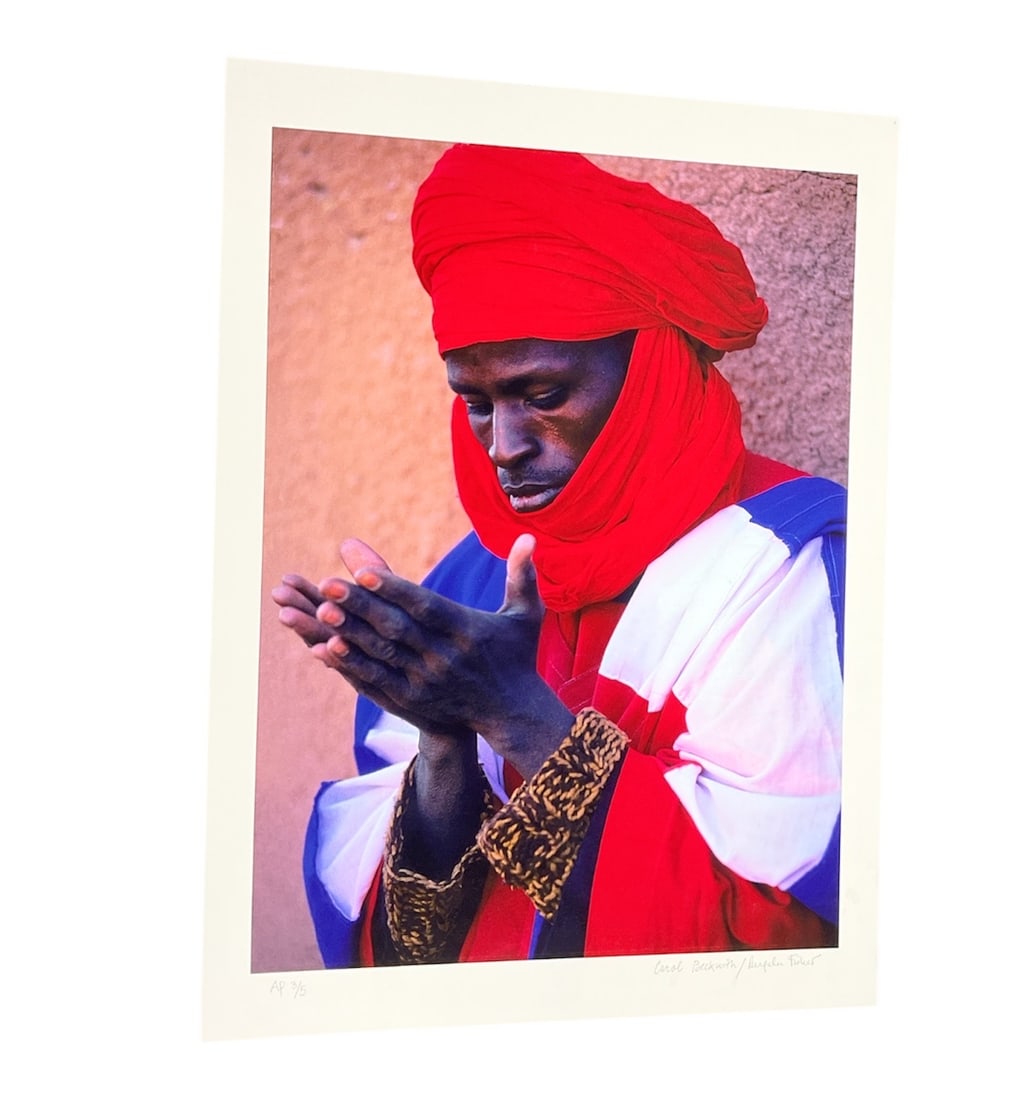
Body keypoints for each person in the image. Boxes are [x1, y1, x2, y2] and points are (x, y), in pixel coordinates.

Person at [273, 144, 846, 967]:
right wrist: (444, 738)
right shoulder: (466, 580)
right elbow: (404, 956)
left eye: (541, 395)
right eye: (475, 402)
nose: (503, 446)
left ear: (650, 366)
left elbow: (777, 937)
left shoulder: (780, 566)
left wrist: (513, 713)